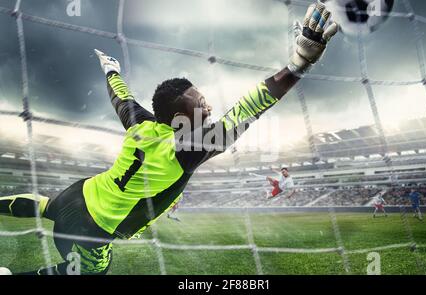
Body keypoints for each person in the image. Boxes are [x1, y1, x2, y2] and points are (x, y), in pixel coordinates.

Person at [0, 1, 338, 275]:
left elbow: (121, 97)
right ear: (180, 121)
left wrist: (111, 70)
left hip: (80, 192)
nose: (211, 111)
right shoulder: (188, 149)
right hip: (93, 229)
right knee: (88, 272)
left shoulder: (141, 124)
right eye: (203, 108)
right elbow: (246, 109)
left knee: (46, 206)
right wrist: (297, 65)